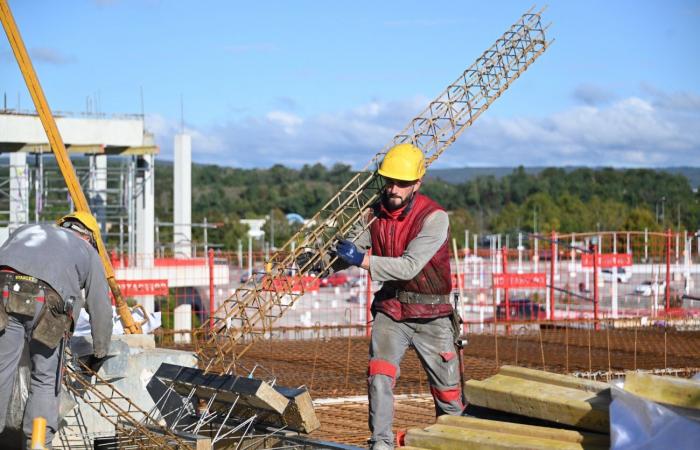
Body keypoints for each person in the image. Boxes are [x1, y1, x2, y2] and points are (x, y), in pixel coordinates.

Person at [334, 143, 464, 450]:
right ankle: (381, 444)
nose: (394, 188)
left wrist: (362, 260)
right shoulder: (373, 214)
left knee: (448, 393)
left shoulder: (434, 218)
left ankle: (458, 439)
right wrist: (322, 262)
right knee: (380, 375)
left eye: (402, 183)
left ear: (417, 183)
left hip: (432, 314)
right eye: (390, 180)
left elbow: (408, 266)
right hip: (392, 309)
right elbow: (351, 251)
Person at [0, 211, 113, 448]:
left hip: (4, 290)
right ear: (90, 237)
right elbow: (100, 305)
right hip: (48, 302)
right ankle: (38, 445)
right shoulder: (88, 252)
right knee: (44, 378)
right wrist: (100, 351)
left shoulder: (29, 230)